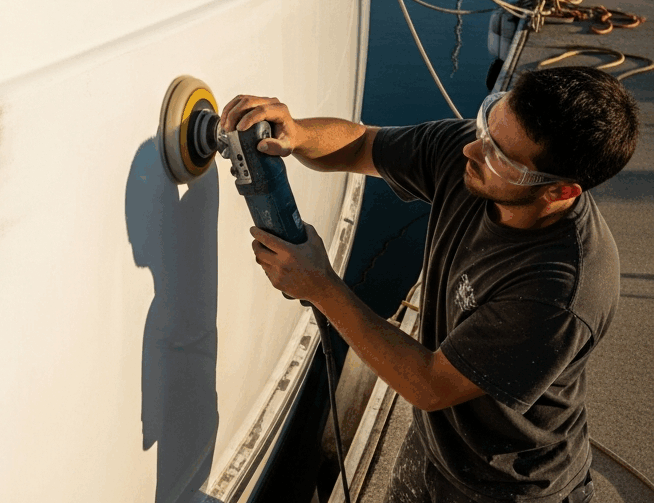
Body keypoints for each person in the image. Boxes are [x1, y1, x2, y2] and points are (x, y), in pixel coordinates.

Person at [219, 67, 639, 503]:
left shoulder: (560, 289)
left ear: (558, 192)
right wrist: (298, 134)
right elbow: (362, 144)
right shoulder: (474, 156)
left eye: (500, 156)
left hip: (506, 487)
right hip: (436, 449)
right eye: (487, 124)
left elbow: (429, 385)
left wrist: (321, 287)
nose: (472, 149)